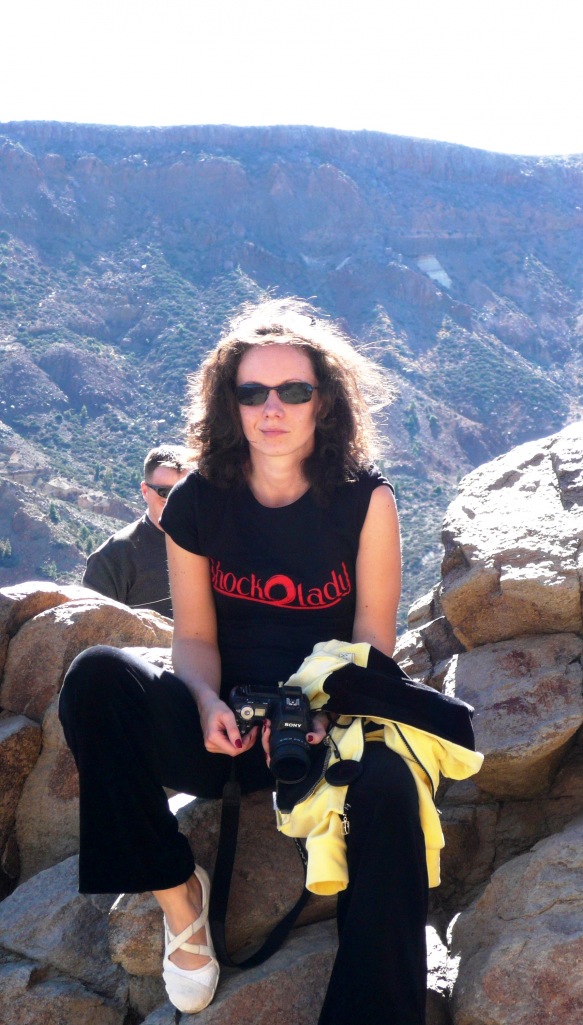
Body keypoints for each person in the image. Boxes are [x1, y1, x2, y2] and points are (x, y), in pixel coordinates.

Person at [59, 299, 442, 1024]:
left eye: (293, 390)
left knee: (392, 794)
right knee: (97, 678)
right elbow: (195, 638)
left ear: (323, 401)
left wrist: (323, 718)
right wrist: (205, 702)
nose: (272, 408)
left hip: (320, 729)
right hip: (223, 733)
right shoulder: (197, 501)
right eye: (252, 391)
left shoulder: (366, 501)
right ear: (227, 403)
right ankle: (179, 895)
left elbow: (371, 647)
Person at [82, 445, 193, 618]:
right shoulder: (112, 558)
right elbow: (93, 626)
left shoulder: (214, 543)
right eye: (165, 493)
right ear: (145, 491)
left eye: (187, 492)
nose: (178, 501)